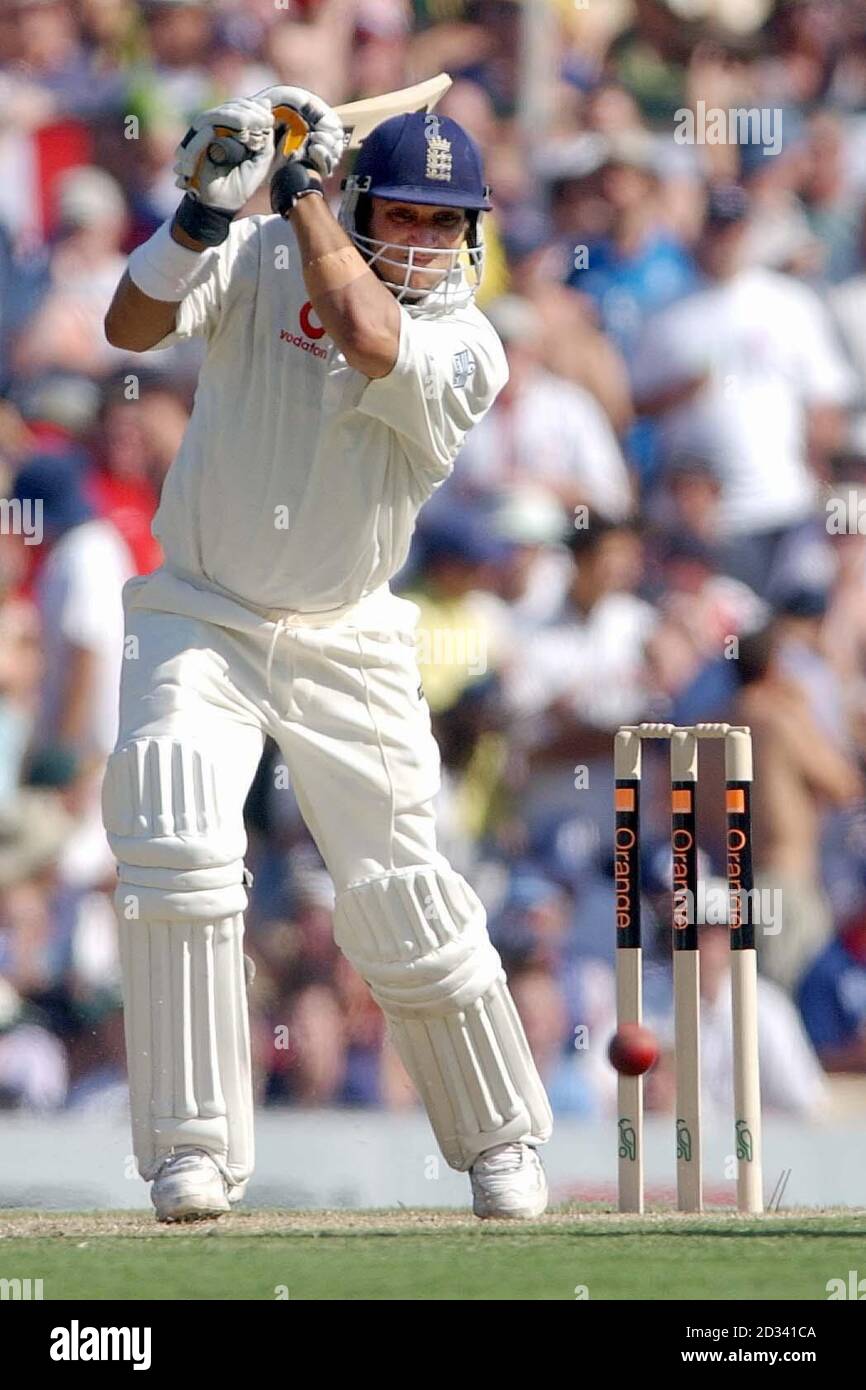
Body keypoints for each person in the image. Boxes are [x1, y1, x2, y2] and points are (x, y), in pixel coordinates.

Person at [102, 88, 552, 1222]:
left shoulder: (465, 344)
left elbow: (361, 331)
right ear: (362, 205)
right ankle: (191, 1149)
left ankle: (499, 1143)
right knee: (175, 834)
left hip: (348, 635)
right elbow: (130, 329)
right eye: (400, 215)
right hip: (200, 610)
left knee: (402, 897)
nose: (423, 241)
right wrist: (205, 210)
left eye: (444, 223)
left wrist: (298, 192)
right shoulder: (258, 253)